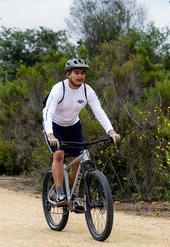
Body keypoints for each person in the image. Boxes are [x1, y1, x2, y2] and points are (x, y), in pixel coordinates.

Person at [42, 57, 120, 211]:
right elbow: (48, 113)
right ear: (68, 74)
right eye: (76, 72)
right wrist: (51, 135)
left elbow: (99, 112)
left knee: (76, 160)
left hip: (73, 125)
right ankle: (59, 193)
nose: (80, 76)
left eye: (82, 73)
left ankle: (76, 196)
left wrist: (111, 131)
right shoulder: (59, 89)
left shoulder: (87, 90)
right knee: (58, 154)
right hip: (54, 125)